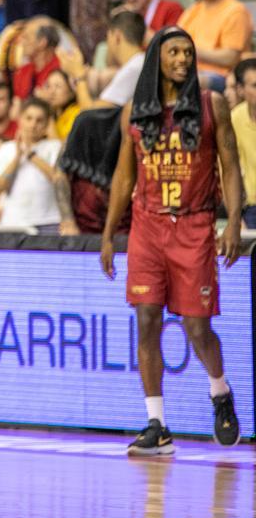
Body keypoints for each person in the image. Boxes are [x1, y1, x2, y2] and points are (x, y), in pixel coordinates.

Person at [99, 27, 242, 455]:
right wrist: (108, 234)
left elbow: (231, 167)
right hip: (147, 227)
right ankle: (156, 424)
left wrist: (232, 220)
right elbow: (124, 178)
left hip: (195, 226)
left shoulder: (210, 104)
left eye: (187, 51)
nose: (182, 58)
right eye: (173, 51)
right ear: (156, 59)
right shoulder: (133, 113)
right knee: (146, 320)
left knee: (197, 327)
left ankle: (220, 392)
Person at [0, 98, 71, 233]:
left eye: (39, 120)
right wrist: (17, 158)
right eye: (29, 118)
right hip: (14, 222)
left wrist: (30, 155)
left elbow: (58, 180)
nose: (33, 124)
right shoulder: (6, 149)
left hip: (49, 221)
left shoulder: (55, 147)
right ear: (20, 119)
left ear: (47, 125)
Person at [177, 0, 253, 91]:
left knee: (191, 81)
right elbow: (176, 41)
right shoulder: (193, 10)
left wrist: (192, 50)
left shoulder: (235, 10)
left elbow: (230, 58)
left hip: (224, 76)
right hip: (191, 70)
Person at [62, 9, 147, 107]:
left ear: (117, 36)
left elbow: (90, 113)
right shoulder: (138, 63)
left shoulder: (134, 68)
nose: (107, 45)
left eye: (108, 37)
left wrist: (79, 75)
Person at [229, 58, 256, 228]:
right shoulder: (234, 119)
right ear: (240, 90)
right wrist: (235, 219)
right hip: (251, 210)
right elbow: (229, 170)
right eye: (255, 86)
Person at [13, 19, 63, 101]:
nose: (20, 42)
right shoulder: (22, 72)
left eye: (26, 37)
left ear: (42, 42)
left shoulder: (63, 70)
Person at [37, 68, 82, 140]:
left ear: (72, 92)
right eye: (48, 86)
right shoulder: (55, 113)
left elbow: (61, 148)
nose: (51, 92)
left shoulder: (77, 114)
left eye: (58, 86)